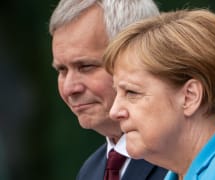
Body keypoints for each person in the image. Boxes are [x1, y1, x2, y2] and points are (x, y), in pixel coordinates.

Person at [103, 9, 215, 179]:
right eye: (117, 91)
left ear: (190, 96)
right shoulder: (182, 172)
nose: (115, 111)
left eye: (131, 92)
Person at [49, 0, 167, 179]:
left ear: (141, 56)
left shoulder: (181, 159)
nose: (69, 88)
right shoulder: (90, 171)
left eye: (86, 66)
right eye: (62, 70)